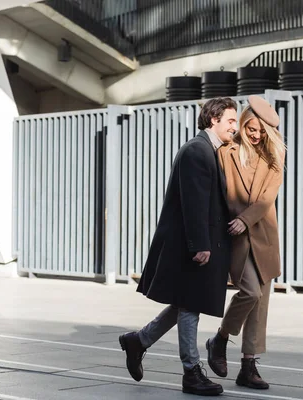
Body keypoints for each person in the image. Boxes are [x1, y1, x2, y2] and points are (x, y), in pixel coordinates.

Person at [119, 97, 237, 396]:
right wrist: (200, 244)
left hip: (195, 242)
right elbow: (193, 202)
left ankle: (139, 341)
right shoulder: (197, 151)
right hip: (192, 244)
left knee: (187, 303)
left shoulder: (206, 150)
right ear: (213, 119)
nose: (234, 128)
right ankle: (191, 372)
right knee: (191, 306)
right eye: (231, 121)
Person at [205, 95, 286, 390]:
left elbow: (267, 198)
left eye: (262, 131)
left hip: (263, 235)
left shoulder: (275, 156)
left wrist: (246, 219)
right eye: (252, 128)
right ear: (243, 122)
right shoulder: (226, 152)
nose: (256, 135)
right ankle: (221, 338)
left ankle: (248, 366)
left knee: (261, 303)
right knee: (250, 293)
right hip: (235, 236)